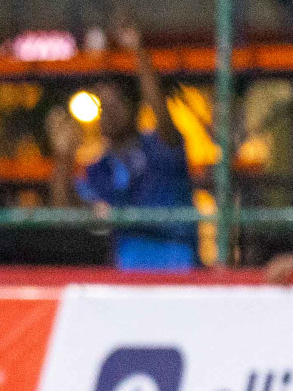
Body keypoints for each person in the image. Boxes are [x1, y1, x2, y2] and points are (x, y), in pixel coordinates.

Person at [47, 21, 197, 270]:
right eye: (102, 105)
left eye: (117, 103)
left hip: (179, 271)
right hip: (127, 276)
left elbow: (159, 108)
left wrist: (138, 49)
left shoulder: (158, 146)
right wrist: (63, 156)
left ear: (135, 107)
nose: (109, 112)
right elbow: (66, 209)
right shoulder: (100, 167)